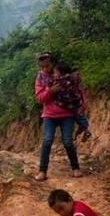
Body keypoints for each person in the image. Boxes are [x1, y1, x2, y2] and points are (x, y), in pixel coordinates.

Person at [34, 51, 82, 181]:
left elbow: (78, 92)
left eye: (47, 66)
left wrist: (81, 108)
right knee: (47, 140)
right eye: (42, 67)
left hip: (67, 114)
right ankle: (42, 171)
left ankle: (75, 168)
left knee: (67, 141)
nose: (44, 69)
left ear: (53, 64)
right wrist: (50, 91)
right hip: (49, 115)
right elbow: (39, 98)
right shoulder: (41, 78)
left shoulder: (67, 76)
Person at [51, 61, 91, 142]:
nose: (53, 75)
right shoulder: (73, 78)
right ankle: (84, 129)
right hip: (76, 101)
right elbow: (79, 87)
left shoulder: (60, 81)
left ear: (61, 73)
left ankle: (84, 130)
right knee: (79, 116)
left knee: (78, 115)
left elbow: (50, 87)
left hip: (69, 104)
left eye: (55, 72)